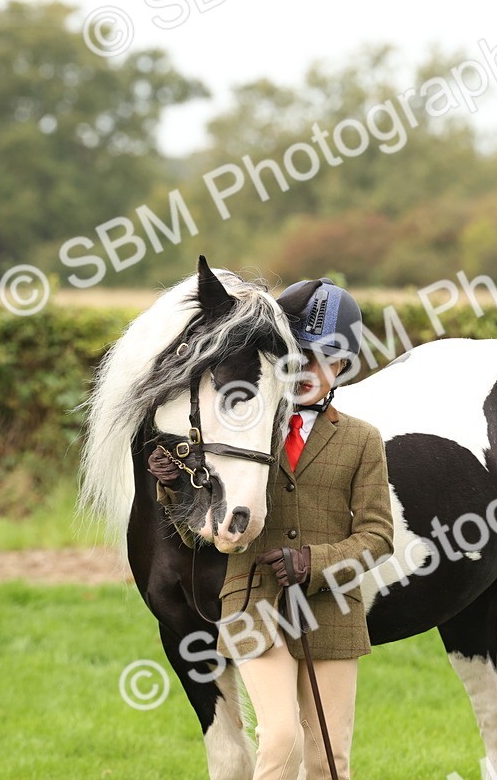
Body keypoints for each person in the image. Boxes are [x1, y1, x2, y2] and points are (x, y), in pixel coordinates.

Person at [149, 276, 394, 780]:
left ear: (344, 367)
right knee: (282, 740)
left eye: (326, 358)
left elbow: (378, 537)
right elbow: (210, 528)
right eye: (298, 356)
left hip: (330, 606)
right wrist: (175, 487)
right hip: (252, 605)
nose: (309, 369)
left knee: (329, 759)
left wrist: (312, 563)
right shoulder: (244, 430)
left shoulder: (363, 441)